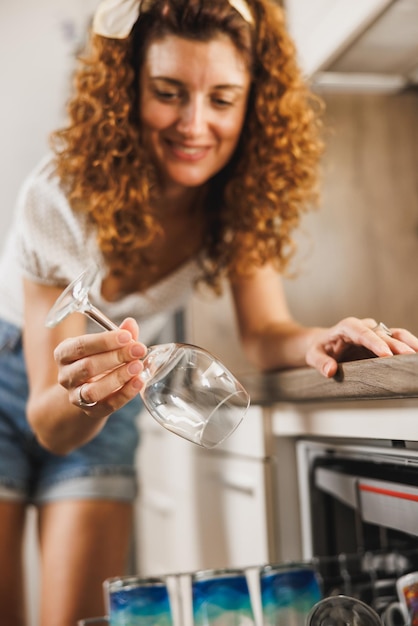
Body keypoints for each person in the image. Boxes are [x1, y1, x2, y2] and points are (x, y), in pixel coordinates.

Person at [0, 0, 417, 624]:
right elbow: (48, 417)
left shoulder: (236, 196)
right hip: (23, 376)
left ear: (253, 102)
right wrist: (87, 393)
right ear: (127, 89)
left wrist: (319, 340)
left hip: (114, 387)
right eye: (169, 92)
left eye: (222, 99)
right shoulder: (59, 197)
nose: (195, 124)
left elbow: (264, 331)